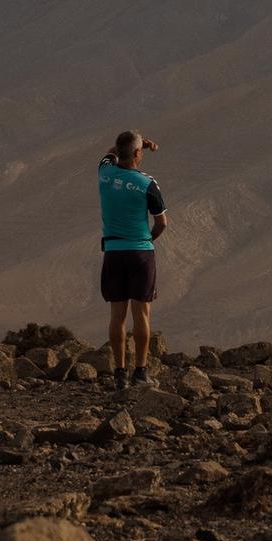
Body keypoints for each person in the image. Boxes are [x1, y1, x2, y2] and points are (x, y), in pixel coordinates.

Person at [98, 129, 168, 393]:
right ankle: (140, 372)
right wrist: (149, 239)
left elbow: (110, 152)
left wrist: (133, 145)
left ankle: (119, 374)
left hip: (113, 252)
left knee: (117, 315)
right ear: (138, 154)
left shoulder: (104, 173)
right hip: (140, 251)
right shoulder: (147, 183)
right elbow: (162, 222)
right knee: (142, 314)